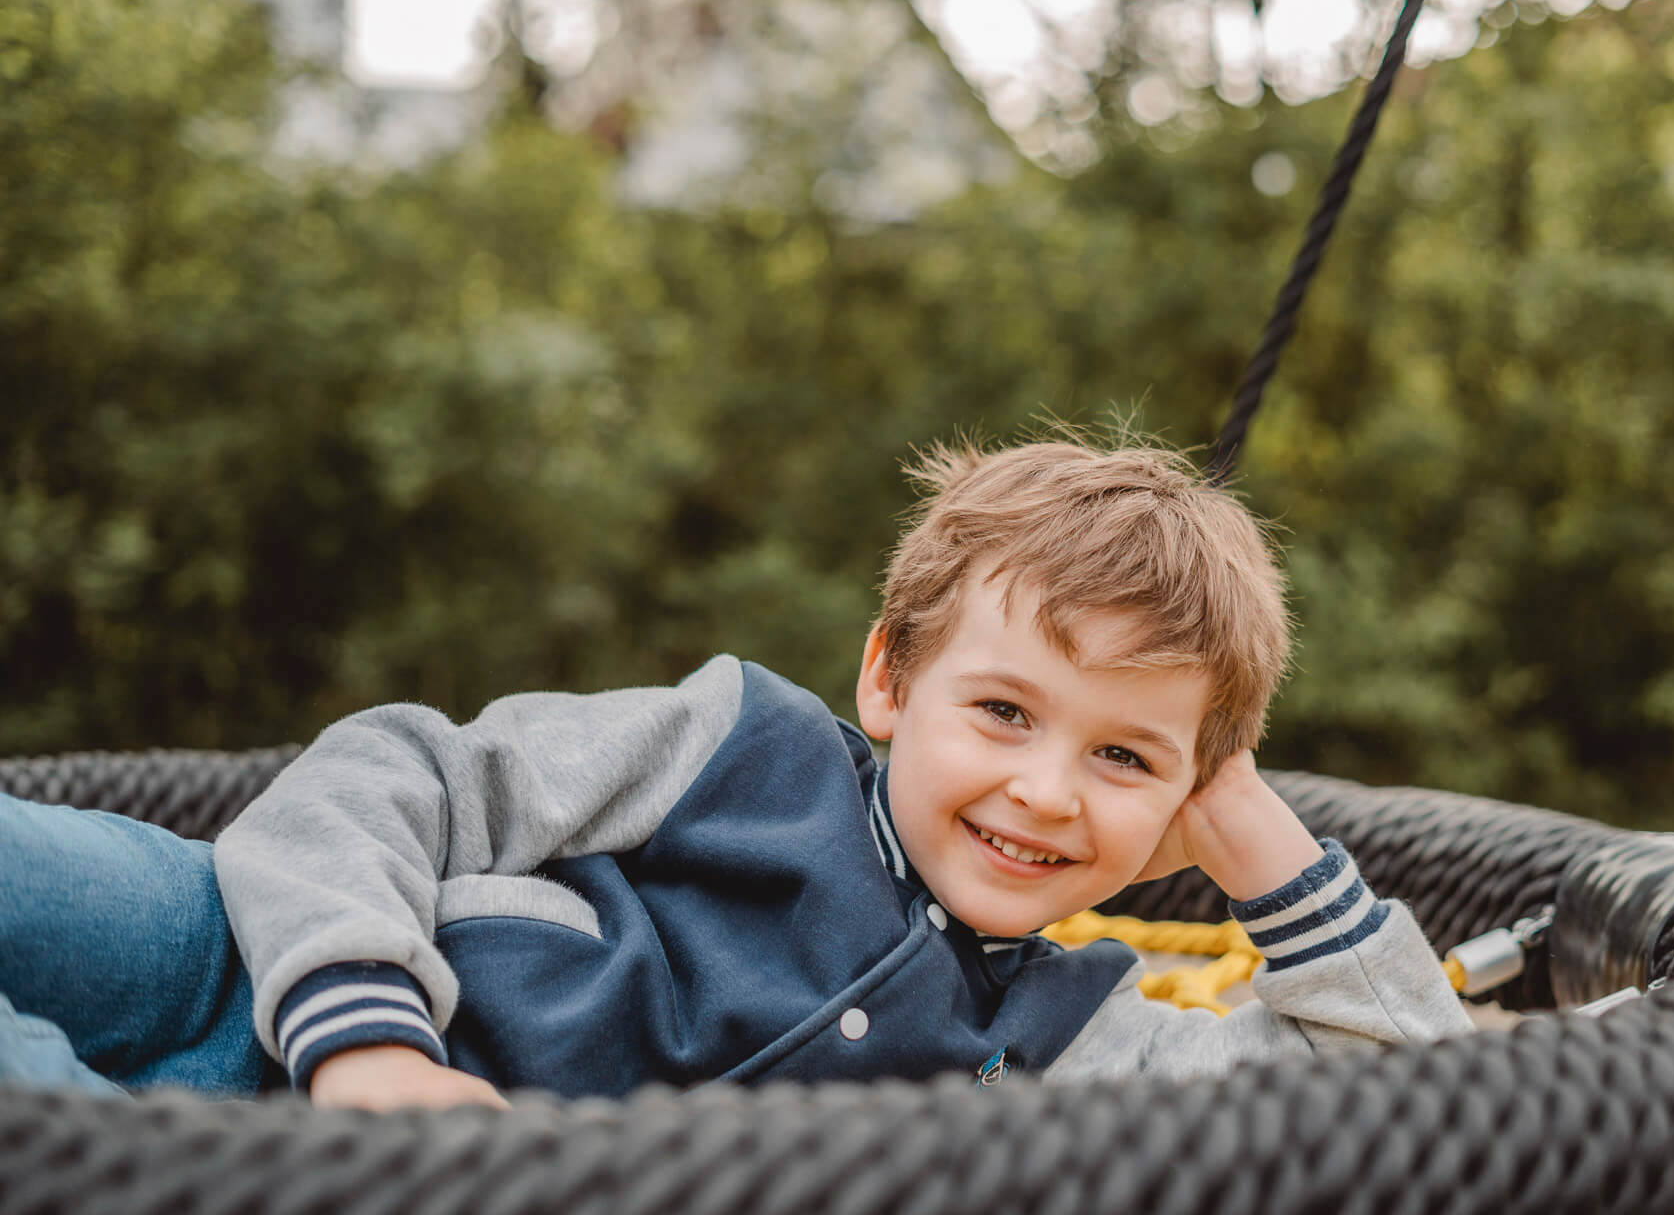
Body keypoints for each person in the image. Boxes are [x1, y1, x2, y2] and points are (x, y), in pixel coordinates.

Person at [0, 435, 1471, 1107]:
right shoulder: (735, 747)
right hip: (230, 958)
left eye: (1123, 757)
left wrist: (1244, 818)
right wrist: (369, 1036)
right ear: (887, 679)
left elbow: (1433, 1112)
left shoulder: (1070, 1038)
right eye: (1006, 713)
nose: (1046, 791)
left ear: (1177, 809)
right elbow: (391, 776)